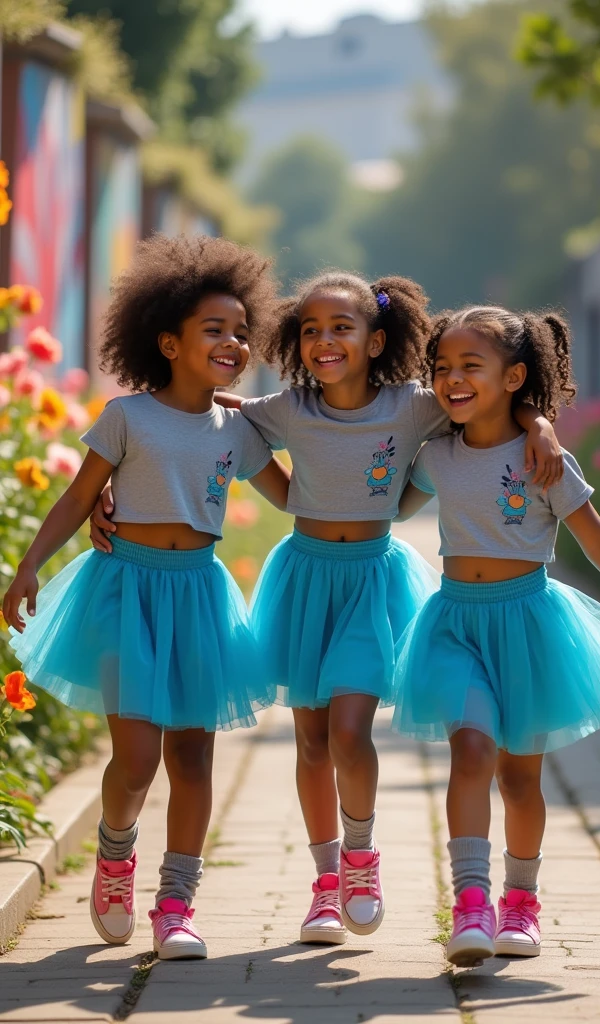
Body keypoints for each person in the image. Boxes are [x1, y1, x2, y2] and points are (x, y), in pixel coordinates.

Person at [191, 272, 560, 944]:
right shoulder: (286, 407)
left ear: (376, 339)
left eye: (341, 328)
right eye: (310, 330)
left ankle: (362, 862)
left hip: (372, 581)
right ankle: (326, 886)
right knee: (309, 740)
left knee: (349, 731)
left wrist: (540, 423)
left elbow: (483, 402)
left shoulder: (413, 405)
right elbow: (222, 422)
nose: (324, 341)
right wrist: (290, 496)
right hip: (304, 580)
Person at [3, 235, 290, 961]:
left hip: (200, 595)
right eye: (213, 330)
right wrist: (30, 565)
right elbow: (77, 496)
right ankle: (115, 855)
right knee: (135, 761)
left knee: (193, 757)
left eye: (239, 330)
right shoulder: (127, 415)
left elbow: (296, 495)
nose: (232, 342)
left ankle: (177, 903)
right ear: (167, 341)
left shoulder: (239, 426)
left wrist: (369, 471)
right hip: (126, 589)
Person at [393, 305, 600, 967]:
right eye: (442, 369)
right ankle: (470, 905)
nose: (452, 379)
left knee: (519, 779)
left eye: (470, 367)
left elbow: (595, 536)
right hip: (454, 624)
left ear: (514, 376)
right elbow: (377, 502)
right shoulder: (436, 454)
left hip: (529, 626)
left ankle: (521, 902)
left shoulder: (544, 459)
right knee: (471, 752)